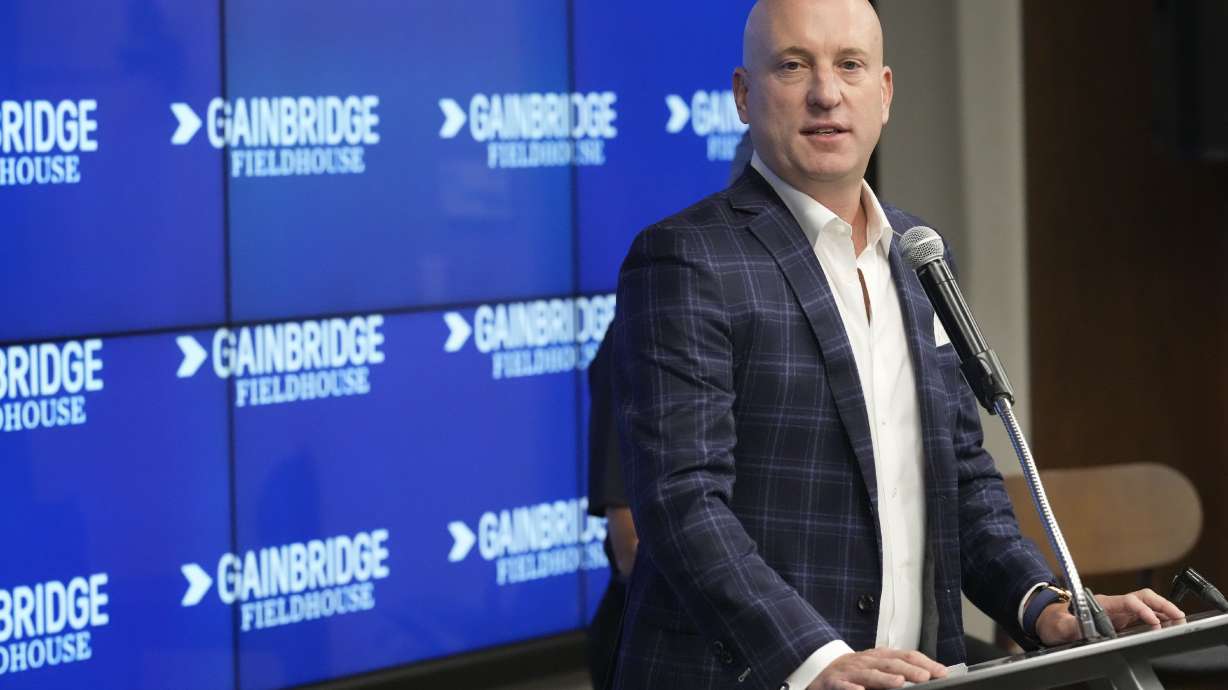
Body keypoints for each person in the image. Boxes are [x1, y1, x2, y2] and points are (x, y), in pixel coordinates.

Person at [608, 1, 1185, 689]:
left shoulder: (919, 255)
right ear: (743, 94)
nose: (826, 93)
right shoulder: (686, 258)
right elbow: (682, 501)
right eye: (793, 66)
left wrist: (1045, 606)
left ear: (883, 94)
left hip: (920, 672)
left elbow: (960, 478)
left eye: (850, 65)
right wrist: (816, 659)